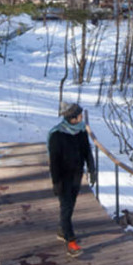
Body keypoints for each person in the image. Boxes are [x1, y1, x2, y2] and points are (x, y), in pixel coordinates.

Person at [47, 102, 95, 254]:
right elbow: (54, 161)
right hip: (62, 176)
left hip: (77, 174)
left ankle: (62, 231)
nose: (82, 118)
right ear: (72, 118)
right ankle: (71, 242)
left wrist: (92, 170)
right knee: (66, 207)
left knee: (70, 205)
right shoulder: (57, 134)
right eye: (80, 115)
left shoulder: (81, 131)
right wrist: (55, 182)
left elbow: (87, 151)